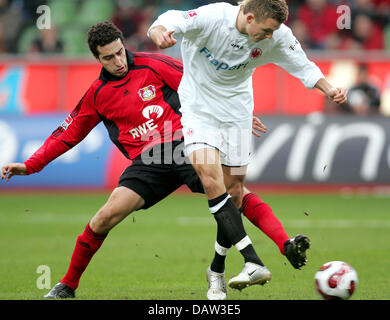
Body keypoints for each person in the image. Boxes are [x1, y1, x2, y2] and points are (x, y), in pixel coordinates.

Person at [1, 21, 309, 301]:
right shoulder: (97, 95)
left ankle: (285, 244)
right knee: (104, 217)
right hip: (148, 161)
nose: (118, 61)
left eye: (120, 53)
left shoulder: (153, 64)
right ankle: (67, 286)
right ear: (98, 59)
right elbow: (67, 134)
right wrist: (31, 165)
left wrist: (235, 113)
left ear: (124, 45)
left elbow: (199, 85)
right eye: (109, 58)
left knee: (233, 190)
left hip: (182, 142)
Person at [148, 0, 347, 298]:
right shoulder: (213, 17)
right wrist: (160, 31)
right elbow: (171, 18)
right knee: (210, 179)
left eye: (273, 32)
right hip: (199, 112)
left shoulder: (277, 35)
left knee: (235, 192)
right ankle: (252, 260)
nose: (270, 37)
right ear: (249, 17)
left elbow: (303, 65)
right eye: (265, 30)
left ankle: (216, 270)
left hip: (238, 114)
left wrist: (329, 88)